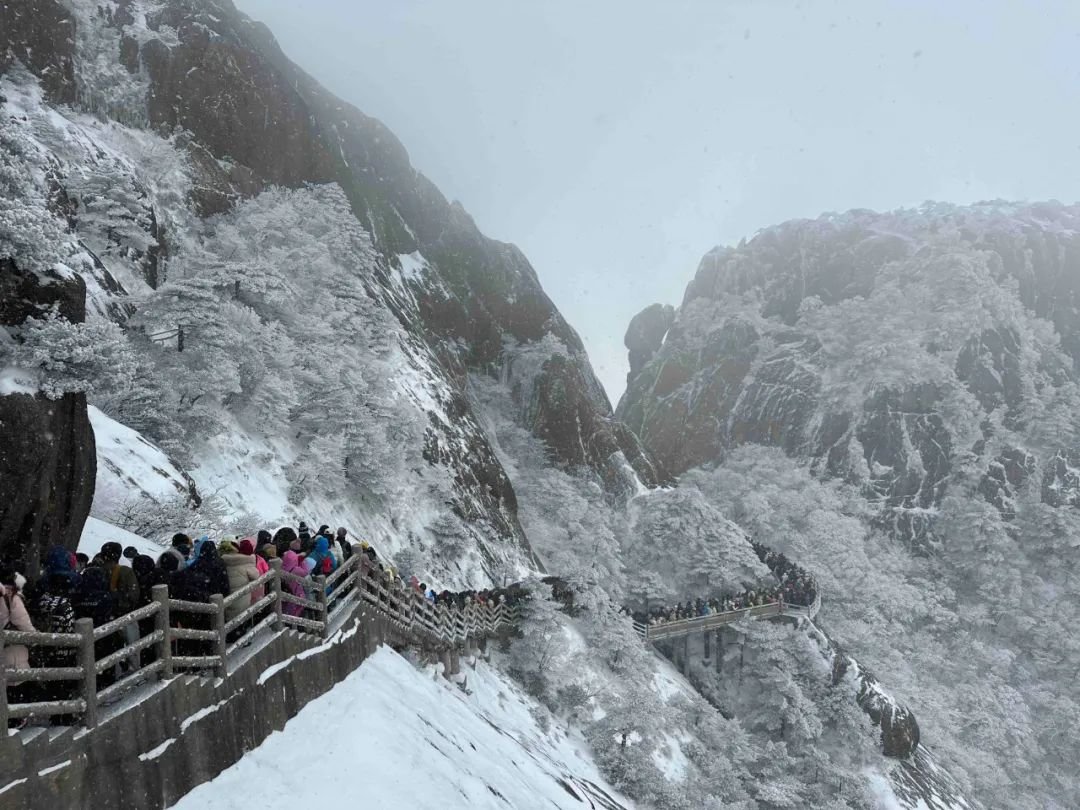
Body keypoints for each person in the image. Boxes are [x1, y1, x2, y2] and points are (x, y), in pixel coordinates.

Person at [1, 564, 36, 727]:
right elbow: (25, 626)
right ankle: (14, 723)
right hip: (11, 652)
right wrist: (36, 638)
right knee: (14, 690)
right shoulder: (10, 597)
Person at [219, 540, 260, 634]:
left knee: (230, 615)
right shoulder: (246, 562)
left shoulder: (224, 561)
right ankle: (240, 635)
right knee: (241, 616)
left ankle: (231, 634)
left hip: (228, 595)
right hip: (242, 595)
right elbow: (256, 576)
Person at [280, 551, 309, 618]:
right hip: (296, 593)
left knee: (287, 608)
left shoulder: (281, 568)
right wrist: (302, 562)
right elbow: (305, 572)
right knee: (296, 609)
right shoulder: (296, 570)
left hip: (286, 591)